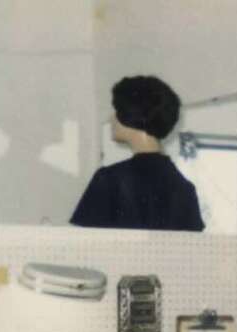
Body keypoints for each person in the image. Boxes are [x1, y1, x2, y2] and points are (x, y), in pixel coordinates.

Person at [70, 75, 205, 231]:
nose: (112, 118)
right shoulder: (184, 188)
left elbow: (81, 249)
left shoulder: (109, 179)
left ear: (133, 115)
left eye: (117, 110)